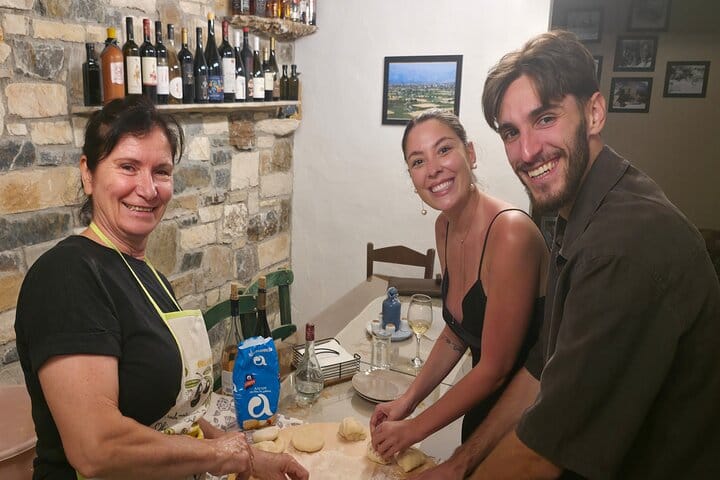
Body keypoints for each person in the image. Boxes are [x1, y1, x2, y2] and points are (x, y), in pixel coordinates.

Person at [415, 30, 720, 479]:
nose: (527, 151)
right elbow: (542, 367)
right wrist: (460, 464)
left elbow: (543, 453)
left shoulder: (622, 245)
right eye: (511, 132)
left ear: (594, 113)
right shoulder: (572, 214)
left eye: (545, 118)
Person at [14, 96, 308, 480]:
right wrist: (219, 455)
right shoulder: (67, 276)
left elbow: (176, 419)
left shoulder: (147, 275)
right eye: (128, 167)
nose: (148, 188)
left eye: (162, 171)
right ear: (88, 173)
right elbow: (96, 446)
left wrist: (251, 459)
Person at [369, 109, 549, 459]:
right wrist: (407, 401)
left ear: (470, 153)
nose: (433, 168)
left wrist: (414, 428)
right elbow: (457, 333)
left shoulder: (510, 233)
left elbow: (496, 368)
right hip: (481, 412)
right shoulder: (444, 227)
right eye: (418, 161)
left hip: (527, 425)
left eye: (444, 150)